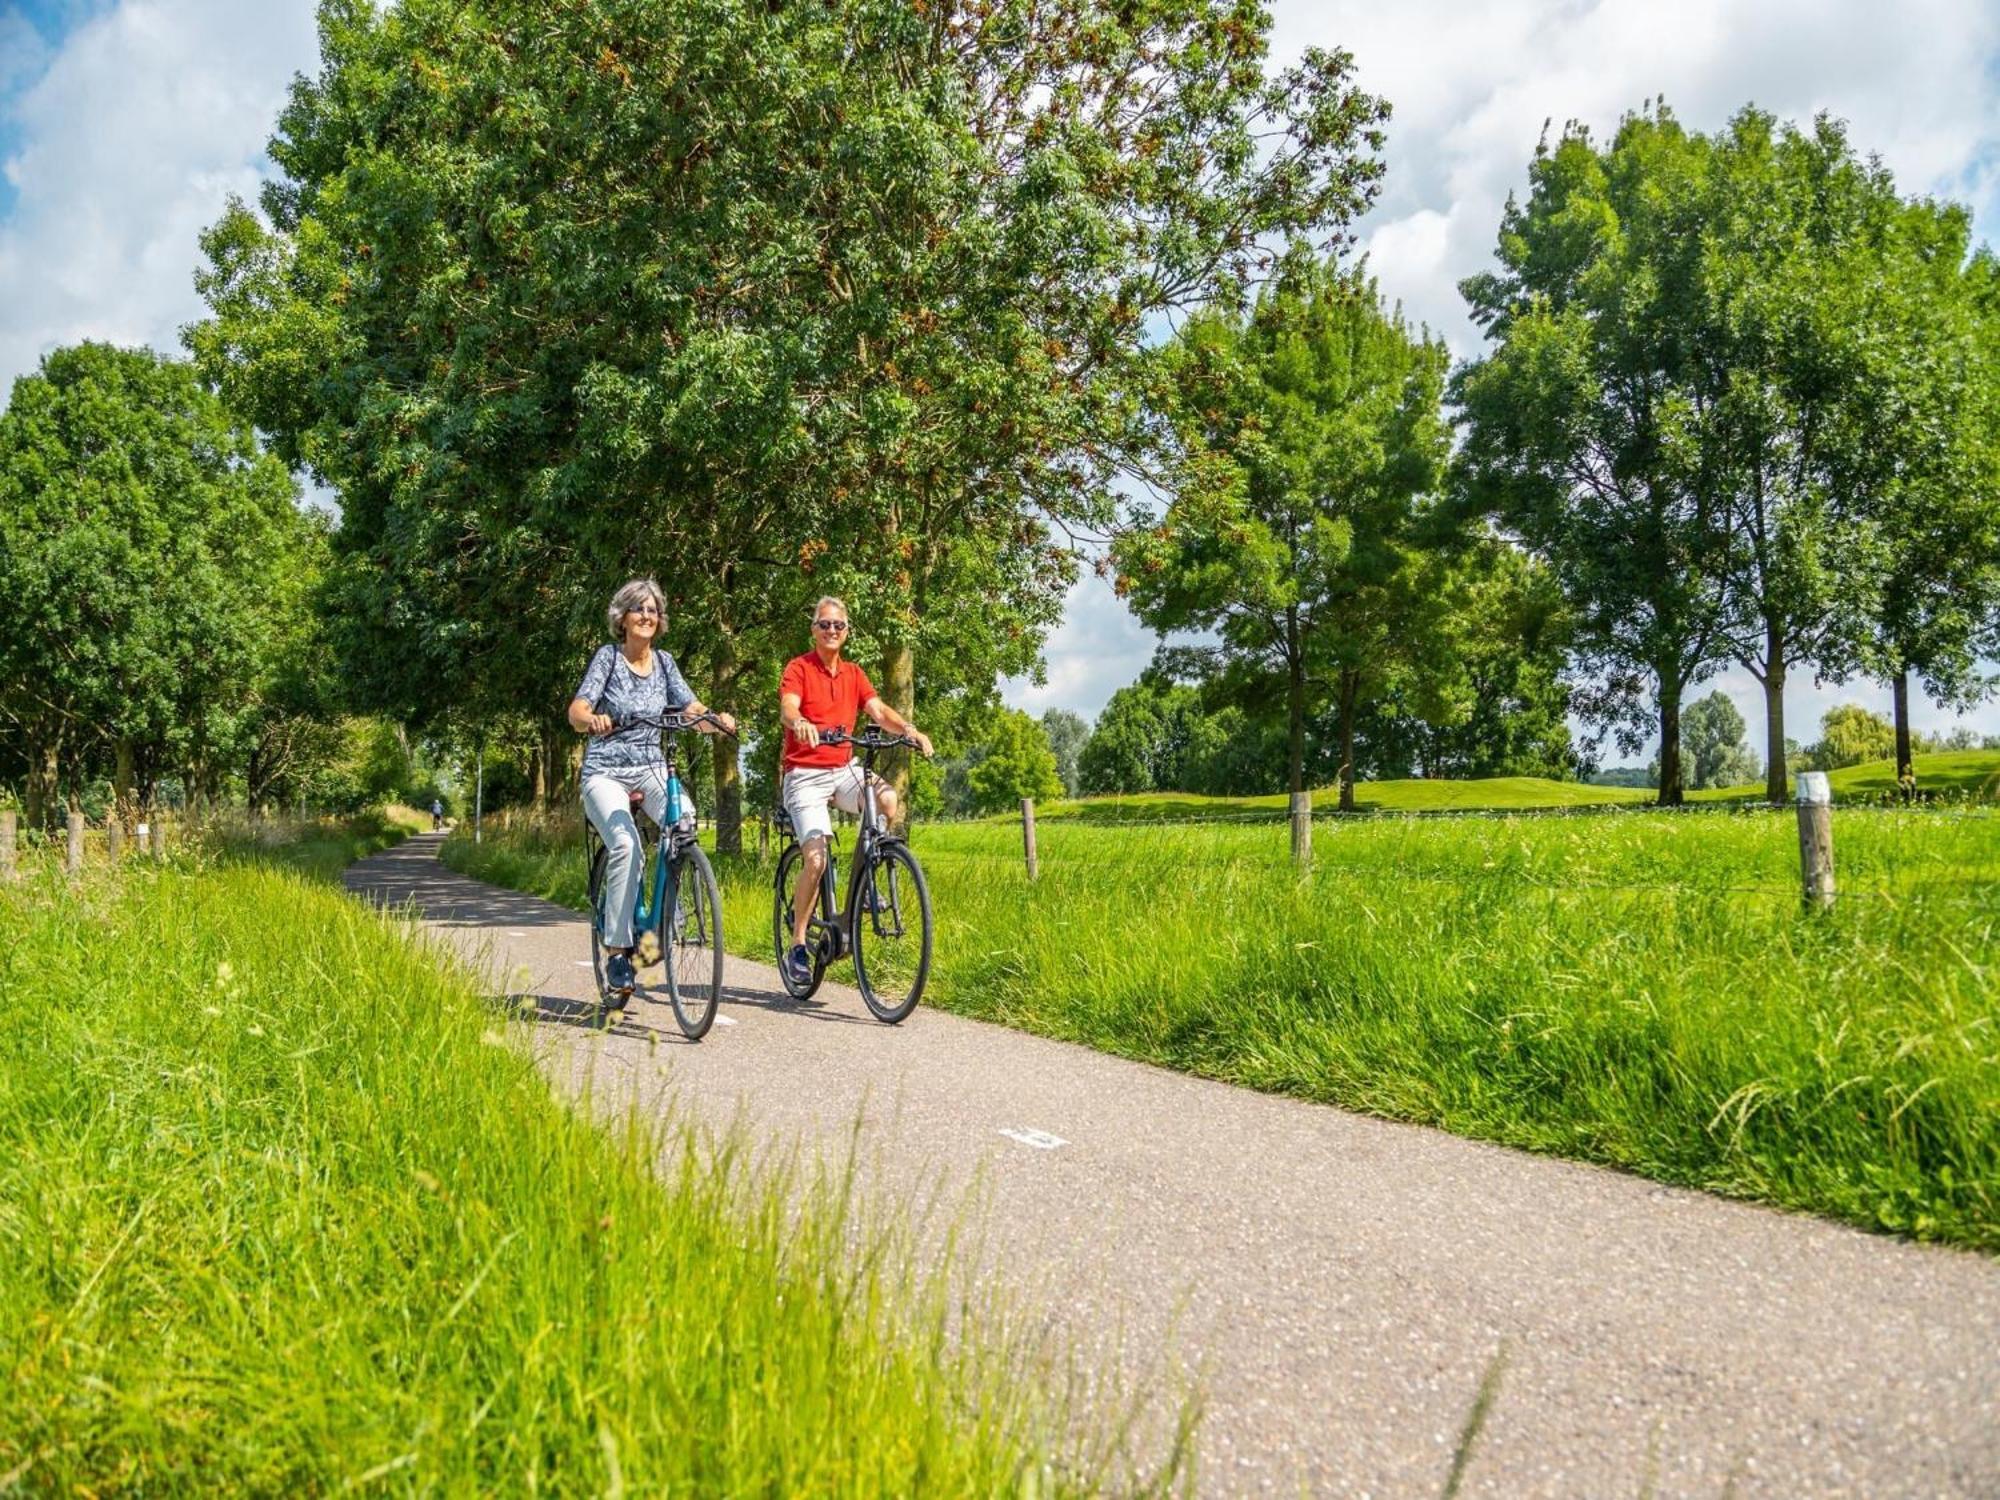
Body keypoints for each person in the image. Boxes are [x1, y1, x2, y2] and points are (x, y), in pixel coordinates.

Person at [567, 577, 736, 998]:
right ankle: (620, 951)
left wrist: (713, 718)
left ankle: (665, 917)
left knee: (686, 821)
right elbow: (577, 709)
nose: (647, 616)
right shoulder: (607, 658)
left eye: (653, 610)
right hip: (605, 772)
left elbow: (689, 706)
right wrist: (593, 720)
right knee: (626, 844)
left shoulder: (665, 663)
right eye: (638, 609)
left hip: (651, 767)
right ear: (622, 618)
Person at [778, 595, 932, 988]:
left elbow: (879, 711)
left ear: (846, 632)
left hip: (844, 769)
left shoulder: (854, 674)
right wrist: (800, 724)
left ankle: (865, 884)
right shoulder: (799, 668)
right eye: (825, 624)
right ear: (813, 629)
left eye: (839, 626)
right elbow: (788, 708)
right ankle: (797, 944)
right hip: (805, 773)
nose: (832, 631)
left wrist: (910, 731)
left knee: (887, 799)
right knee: (815, 859)